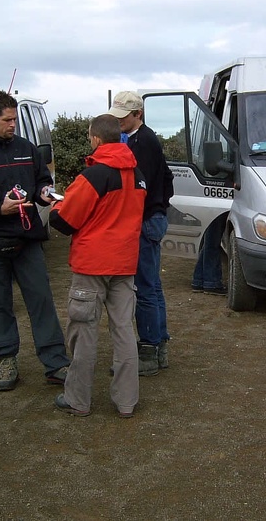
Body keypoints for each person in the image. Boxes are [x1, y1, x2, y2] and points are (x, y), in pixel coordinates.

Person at [0, 90, 70, 391]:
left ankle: (55, 361)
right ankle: (4, 359)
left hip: (28, 239)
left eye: (15, 119)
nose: (13, 125)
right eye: (7, 120)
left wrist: (45, 193)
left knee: (41, 300)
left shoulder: (27, 149)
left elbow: (41, 181)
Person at [49, 114, 146, 417]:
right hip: (124, 261)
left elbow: (65, 221)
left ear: (95, 138)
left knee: (84, 332)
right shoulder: (138, 174)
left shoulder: (94, 176)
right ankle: (127, 401)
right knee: (124, 330)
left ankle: (78, 399)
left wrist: (55, 205)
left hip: (92, 264)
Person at [107, 91, 174, 377]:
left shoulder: (142, 142)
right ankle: (159, 346)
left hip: (145, 221)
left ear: (138, 115)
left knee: (144, 287)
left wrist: (143, 213)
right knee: (153, 285)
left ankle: (148, 348)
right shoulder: (141, 139)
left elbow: (138, 188)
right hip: (153, 217)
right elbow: (167, 178)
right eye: (117, 115)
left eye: (124, 116)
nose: (119, 121)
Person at [191, 214, 227, 295]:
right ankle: (211, 282)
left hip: (212, 207)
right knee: (213, 242)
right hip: (218, 206)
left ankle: (199, 281)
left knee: (210, 241)